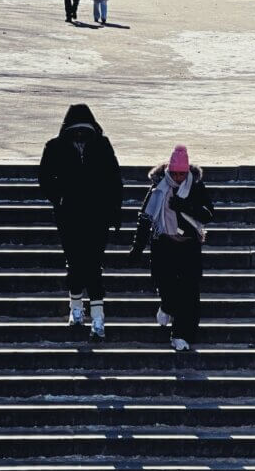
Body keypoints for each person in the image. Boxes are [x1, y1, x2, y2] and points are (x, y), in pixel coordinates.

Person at [39, 104, 123, 341]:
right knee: (76, 262)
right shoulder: (55, 147)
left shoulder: (102, 146)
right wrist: (61, 197)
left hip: (97, 215)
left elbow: (115, 180)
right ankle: (79, 308)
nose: (79, 135)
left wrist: (114, 211)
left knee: (92, 264)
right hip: (70, 215)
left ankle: (94, 314)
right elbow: (45, 178)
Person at [129, 145, 214, 351]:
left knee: (189, 293)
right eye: (174, 173)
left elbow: (208, 214)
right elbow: (145, 218)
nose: (177, 178)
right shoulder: (158, 187)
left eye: (181, 174)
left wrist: (185, 206)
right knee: (167, 287)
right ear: (168, 171)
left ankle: (180, 335)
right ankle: (166, 307)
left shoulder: (196, 187)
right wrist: (137, 247)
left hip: (188, 248)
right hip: (164, 245)